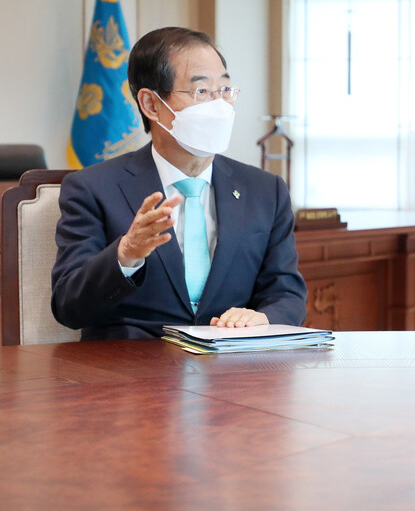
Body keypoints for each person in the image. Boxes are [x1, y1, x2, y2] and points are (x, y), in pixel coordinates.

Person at [52, 27, 307, 340]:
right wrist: (126, 253)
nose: (220, 106)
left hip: (234, 374)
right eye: (201, 92)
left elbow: (287, 294)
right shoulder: (92, 188)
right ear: (151, 104)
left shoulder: (266, 190)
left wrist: (263, 319)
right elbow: (68, 306)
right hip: (130, 377)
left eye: (225, 90)